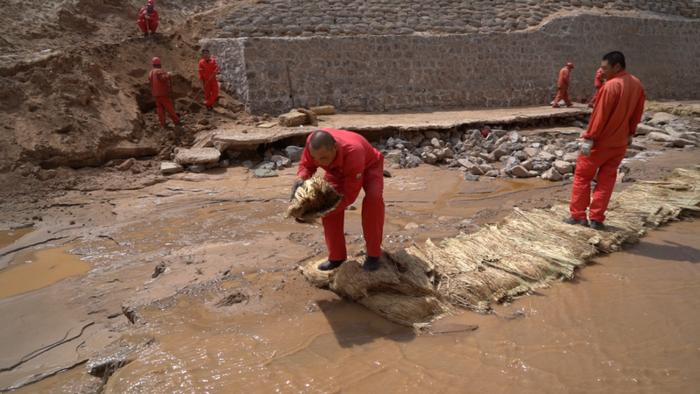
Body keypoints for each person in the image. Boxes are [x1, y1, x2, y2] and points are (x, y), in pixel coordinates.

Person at [566, 51, 645, 230]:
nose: (601, 72)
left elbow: (598, 117)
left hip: (600, 143)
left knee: (582, 177)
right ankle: (597, 219)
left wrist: (589, 138)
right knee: (607, 180)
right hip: (619, 144)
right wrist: (630, 134)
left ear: (616, 67)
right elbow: (637, 113)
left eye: (605, 68)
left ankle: (578, 216)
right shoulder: (637, 84)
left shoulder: (610, 86)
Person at [291, 129, 385, 272]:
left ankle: (373, 255)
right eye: (315, 158)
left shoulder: (354, 152)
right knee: (328, 204)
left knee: (373, 199)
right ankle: (337, 257)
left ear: (334, 148)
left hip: (369, 166)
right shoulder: (313, 144)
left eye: (322, 159)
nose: (318, 162)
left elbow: (349, 196)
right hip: (336, 171)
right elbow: (306, 166)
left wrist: (316, 212)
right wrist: (300, 180)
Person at [148, 57, 180, 128]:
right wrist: (168, 74)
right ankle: (176, 121)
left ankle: (162, 123)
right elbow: (163, 78)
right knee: (169, 108)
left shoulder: (150, 73)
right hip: (163, 93)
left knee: (160, 109)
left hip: (155, 94)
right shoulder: (159, 71)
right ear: (159, 64)